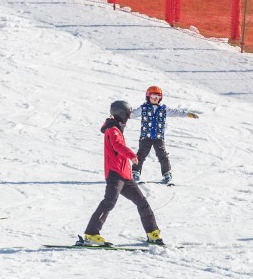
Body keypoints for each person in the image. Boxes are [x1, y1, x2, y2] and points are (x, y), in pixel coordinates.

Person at [83, 100, 162, 246]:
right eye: (127, 114)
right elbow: (117, 145)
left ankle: (153, 233)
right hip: (115, 174)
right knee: (109, 202)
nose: (128, 117)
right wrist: (131, 155)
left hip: (126, 175)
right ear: (121, 113)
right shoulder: (112, 130)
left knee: (142, 202)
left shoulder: (117, 128)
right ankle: (91, 234)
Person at [129, 85, 199, 184]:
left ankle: (167, 174)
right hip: (145, 137)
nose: (155, 99)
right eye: (153, 96)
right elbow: (131, 115)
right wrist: (120, 114)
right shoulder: (143, 108)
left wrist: (188, 114)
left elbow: (176, 112)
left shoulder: (163, 109)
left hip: (158, 137)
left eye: (158, 97)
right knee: (141, 155)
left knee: (162, 156)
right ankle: (135, 172)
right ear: (148, 96)